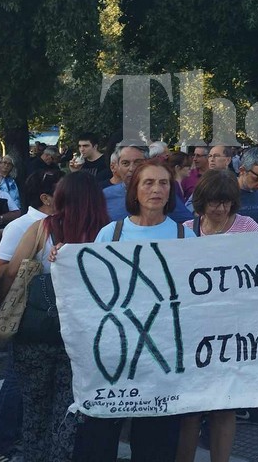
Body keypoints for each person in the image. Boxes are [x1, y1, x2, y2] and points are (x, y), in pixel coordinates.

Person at [73, 159, 192, 462]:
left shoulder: (185, 238)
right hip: (113, 356)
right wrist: (63, 259)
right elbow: (89, 286)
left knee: (156, 445)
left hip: (161, 359)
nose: (156, 189)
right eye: (148, 183)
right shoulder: (110, 234)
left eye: (163, 183)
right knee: (98, 440)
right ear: (134, 190)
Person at [1, 171, 109, 462]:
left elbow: (12, 272)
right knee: (68, 408)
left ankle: (34, 457)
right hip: (81, 336)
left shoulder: (41, 228)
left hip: (35, 332)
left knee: (34, 407)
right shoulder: (107, 234)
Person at [176, 170, 258, 462]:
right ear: (202, 202)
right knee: (190, 409)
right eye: (215, 202)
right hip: (194, 332)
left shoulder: (248, 227)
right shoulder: (186, 230)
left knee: (224, 406)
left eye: (227, 203)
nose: (221, 209)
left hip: (233, 330)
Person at [100, 145, 148, 220]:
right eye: (125, 163)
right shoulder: (105, 196)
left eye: (138, 162)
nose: (132, 168)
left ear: (148, 164)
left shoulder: (163, 193)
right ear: (117, 166)